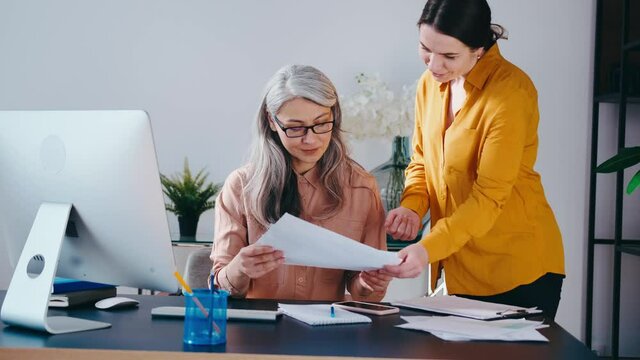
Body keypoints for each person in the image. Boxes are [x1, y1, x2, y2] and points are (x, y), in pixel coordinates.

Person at [383, 0, 565, 319]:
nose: (433, 65)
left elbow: (488, 198)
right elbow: (423, 160)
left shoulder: (510, 94)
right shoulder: (429, 85)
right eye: (425, 48)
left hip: (516, 268)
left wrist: (427, 249)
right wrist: (412, 206)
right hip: (458, 267)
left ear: (478, 48)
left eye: (449, 56)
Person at [211, 64, 392, 301]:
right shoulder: (241, 186)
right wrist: (239, 269)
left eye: (321, 123)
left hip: (326, 331)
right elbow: (218, 288)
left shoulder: (361, 188)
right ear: (272, 121)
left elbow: (365, 294)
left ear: (334, 116)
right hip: (258, 331)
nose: (311, 139)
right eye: (295, 128)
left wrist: (368, 283)